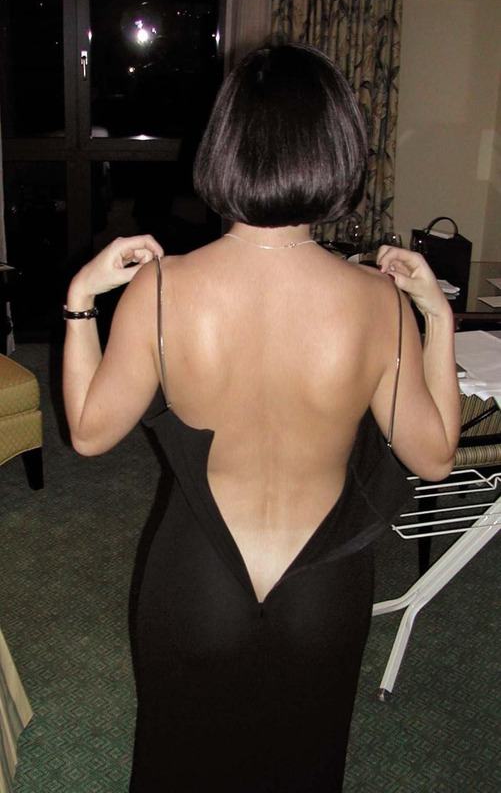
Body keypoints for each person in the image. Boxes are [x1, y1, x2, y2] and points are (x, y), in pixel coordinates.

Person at [63, 43, 461, 792]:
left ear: (225, 148)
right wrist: (435, 316)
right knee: (302, 765)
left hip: (199, 579)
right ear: (336, 152)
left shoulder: (161, 289)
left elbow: (88, 433)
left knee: (179, 762)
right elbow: (434, 458)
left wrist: (82, 298)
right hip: (323, 591)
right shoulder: (378, 302)